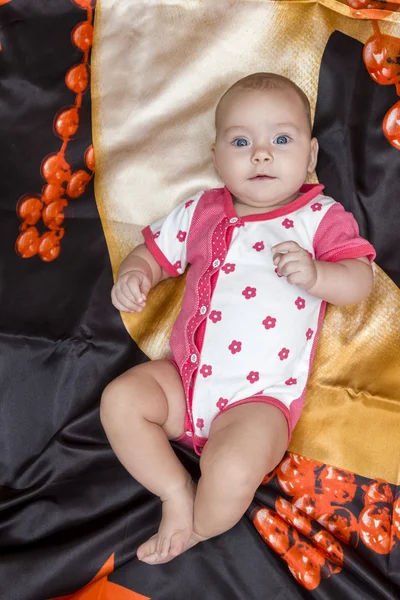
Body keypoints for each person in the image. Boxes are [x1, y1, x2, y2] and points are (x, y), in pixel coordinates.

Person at [100, 72, 375, 565]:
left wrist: (316, 276)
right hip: (181, 385)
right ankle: (174, 491)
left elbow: (359, 280)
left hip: (258, 402)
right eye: (241, 141)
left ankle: (198, 528)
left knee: (230, 470)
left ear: (310, 157)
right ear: (216, 157)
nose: (261, 154)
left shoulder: (319, 217)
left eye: (281, 139)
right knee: (120, 400)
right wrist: (135, 274)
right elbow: (153, 254)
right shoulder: (202, 210)